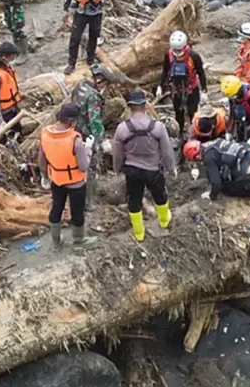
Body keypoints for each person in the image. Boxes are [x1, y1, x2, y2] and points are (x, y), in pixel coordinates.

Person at [112, 90, 176, 242]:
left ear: (130, 107)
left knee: (134, 199)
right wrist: (171, 167)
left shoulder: (122, 128)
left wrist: (117, 168)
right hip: (153, 170)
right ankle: (164, 220)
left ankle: (139, 232)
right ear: (145, 105)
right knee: (160, 195)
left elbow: (117, 153)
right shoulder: (158, 127)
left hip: (132, 171)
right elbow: (167, 151)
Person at [39, 103, 98, 249]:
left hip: (56, 179)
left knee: (56, 208)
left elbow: (42, 159)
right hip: (76, 183)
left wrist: (44, 176)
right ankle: (79, 240)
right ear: (72, 121)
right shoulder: (75, 140)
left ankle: (56, 240)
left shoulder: (45, 134)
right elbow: (83, 166)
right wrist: (88, 149)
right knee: (77, 211)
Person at [71, 63, 112, 200]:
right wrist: (102, 140)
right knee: (90, 166)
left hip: (75, 130)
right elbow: (94, 120)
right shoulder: (93, 96)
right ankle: (89, 200)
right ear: (99, 80)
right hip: (87, 135)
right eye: (106, 83)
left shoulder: (80, 86)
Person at [182, 137, 250, 200]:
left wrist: (211, 196)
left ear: (197, 157)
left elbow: (217, 184)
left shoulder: (208, 157)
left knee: (226, 189)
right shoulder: (216, 141)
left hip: (248, 171)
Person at [161, 31, 208, 139]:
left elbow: (201, 73)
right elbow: (165, 71)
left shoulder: (193, 56)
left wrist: (204, 90)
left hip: (191, 89)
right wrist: (160, 86)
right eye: (175, 50)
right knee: (179, 114)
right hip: (176, 90)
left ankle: (195, 134)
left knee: (193, 113)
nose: (177, 53)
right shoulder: (168, 55)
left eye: (179, 50)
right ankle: (180, 135)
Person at [221, 76, 250, 144]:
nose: (232, 99)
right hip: (242, 118)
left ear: (238, 91)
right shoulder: (233, 95)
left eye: (233, 97)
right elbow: (232, 113)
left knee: (249, 143)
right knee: (239, 139)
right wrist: (229, 131)